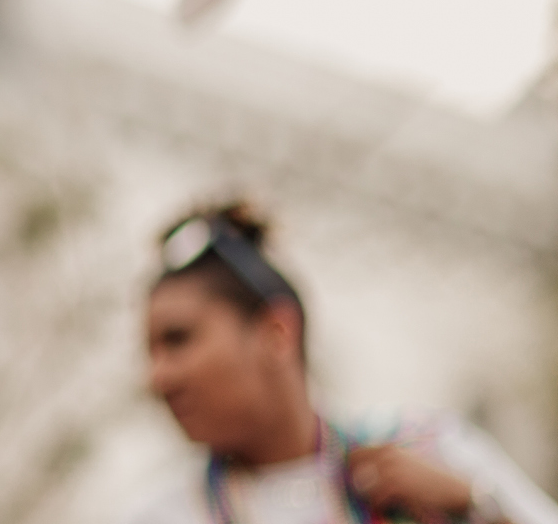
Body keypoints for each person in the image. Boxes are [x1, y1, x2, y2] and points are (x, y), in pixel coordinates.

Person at [128, 202, 558, 524]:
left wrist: (474, 506)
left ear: (277, 332)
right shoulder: (165, 513)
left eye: (178, 340)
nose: (157, 377)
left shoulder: (427, 448)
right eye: (150, 352)